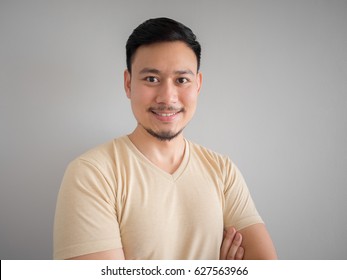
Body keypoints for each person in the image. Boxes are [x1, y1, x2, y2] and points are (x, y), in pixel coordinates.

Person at [53, 17, 277, 260]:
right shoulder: (93, 174)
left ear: (198, 85)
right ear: (128, 84)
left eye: (182, 80)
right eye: (151, 79)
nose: (168, 97)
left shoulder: (222, 171)